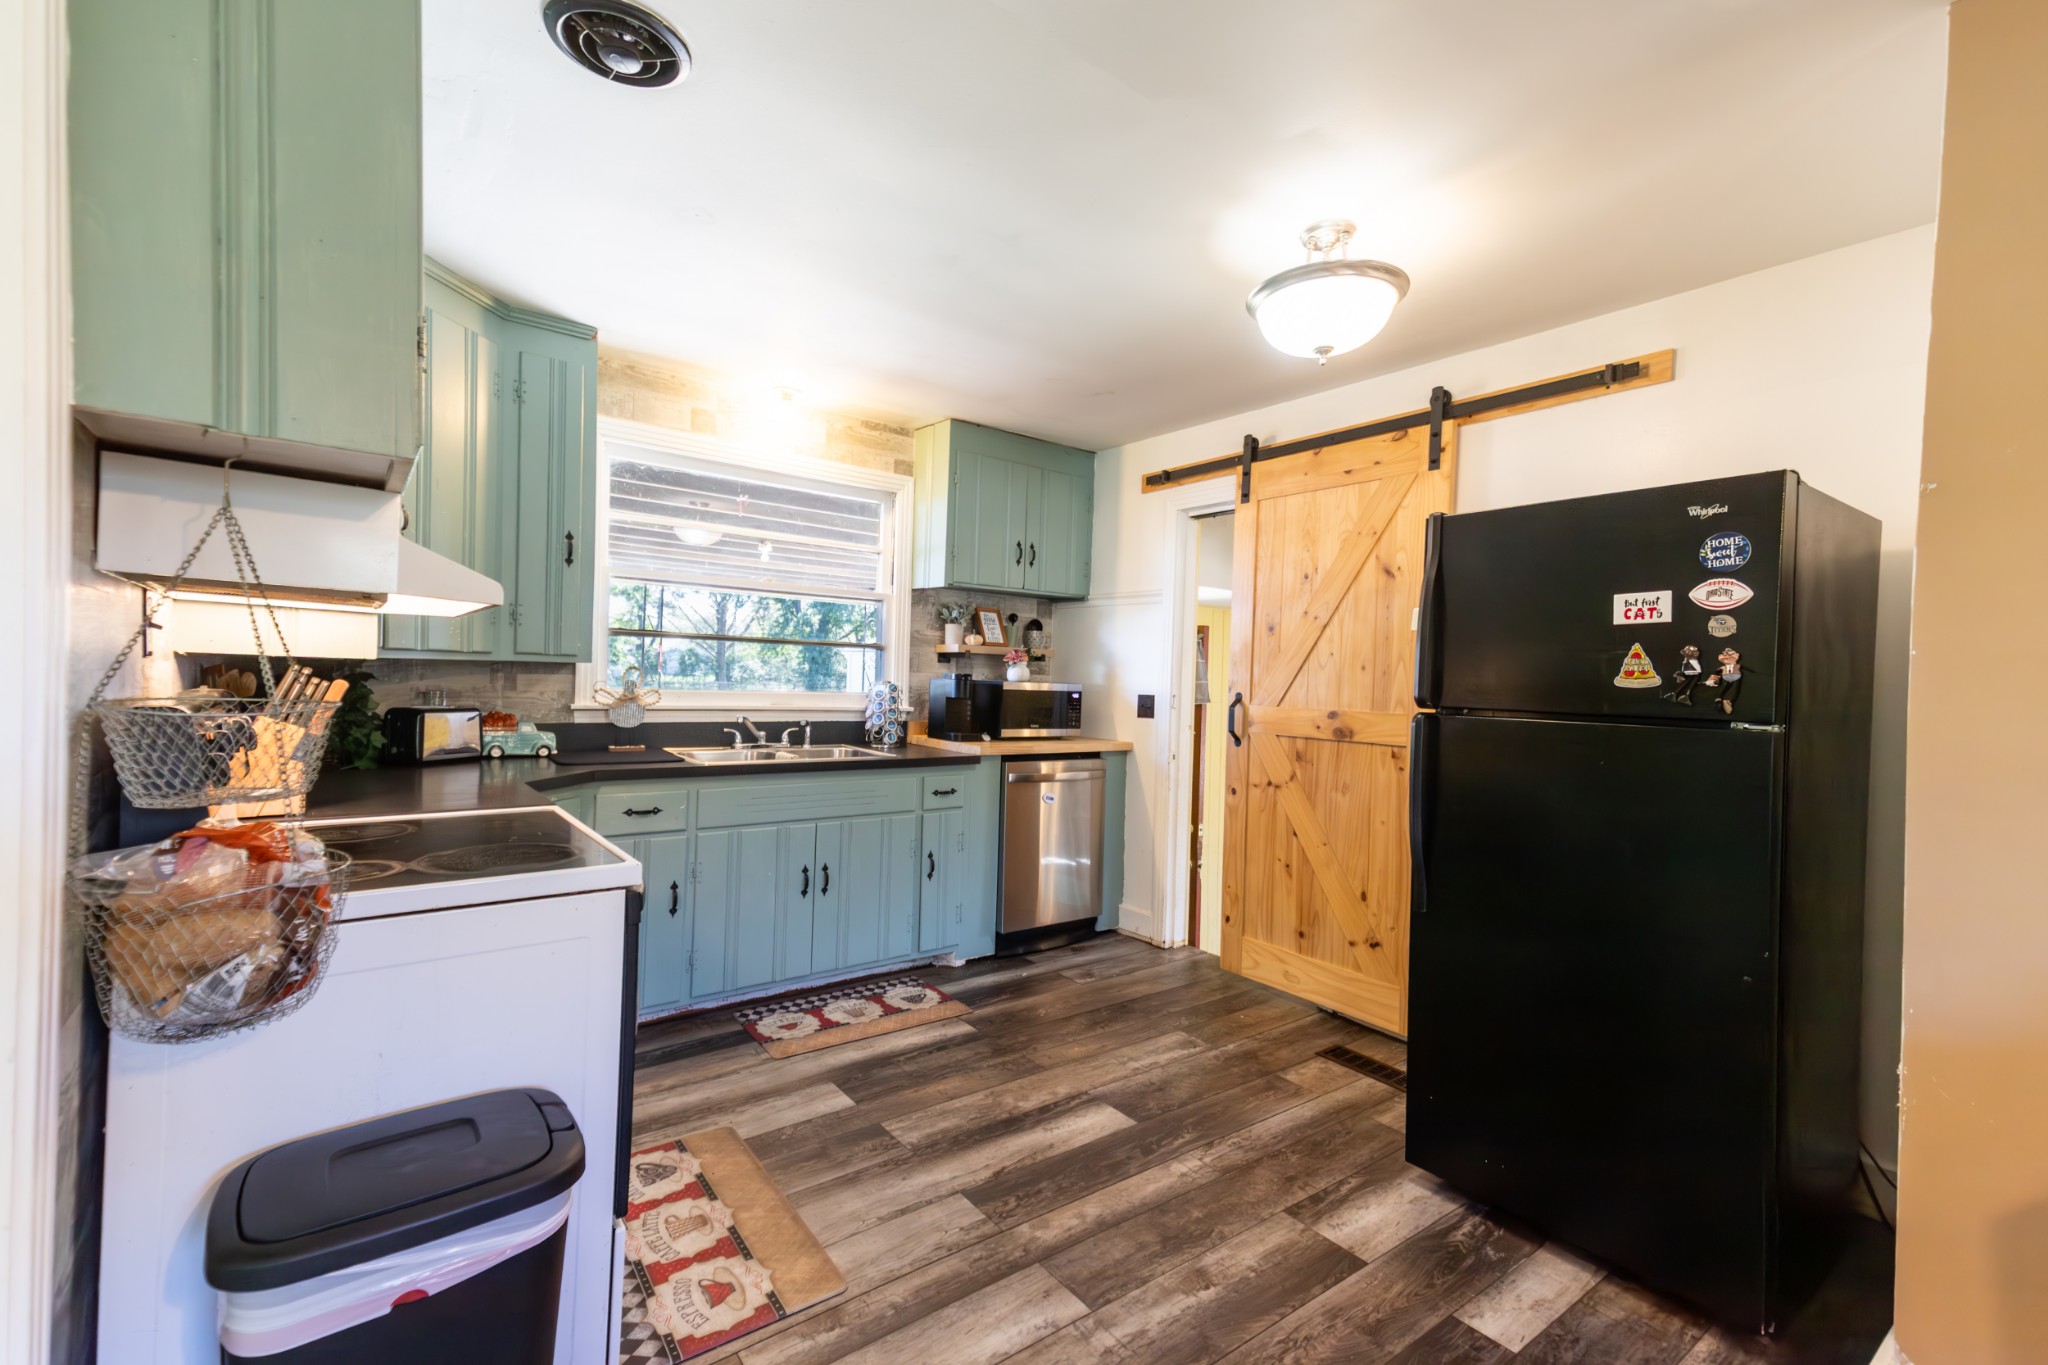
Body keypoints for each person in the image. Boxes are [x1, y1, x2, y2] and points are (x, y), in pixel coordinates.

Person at [1703, 646, 1744, 715]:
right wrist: (1713, 677)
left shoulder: (1738, 666)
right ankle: (1720, 698)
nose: (1727, 657)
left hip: (1735, 676)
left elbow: (1747, 669)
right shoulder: (1723, 667)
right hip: (1726, 677)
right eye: (1725, 655)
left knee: (1733, 687)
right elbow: (1716, 671)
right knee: (1725, 686)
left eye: (1730, 655)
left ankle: (1726, 700)